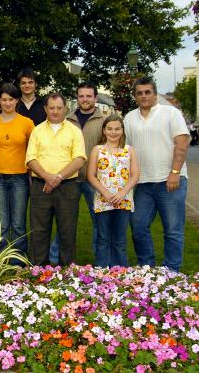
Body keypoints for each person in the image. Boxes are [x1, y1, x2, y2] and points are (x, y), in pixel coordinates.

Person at [124, 76, 190, 272]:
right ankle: (147, 267)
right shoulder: (129, 118)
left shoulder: (171, 113)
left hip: (170, 181)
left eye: (147, 92)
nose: (144, 96)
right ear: (135, 96)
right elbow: (127, 150)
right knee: (138, 227)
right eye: (139, 93)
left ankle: (172, 271)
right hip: (143, 183)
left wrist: (175, 172)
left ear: (154, 94)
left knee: (173, 230)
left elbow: (182, 143)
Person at [26, 93, 86, 266]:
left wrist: (57, 178)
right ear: (45, 109)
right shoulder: (37, 131)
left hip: (67, 187)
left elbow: (79, 159)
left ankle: (67, 272)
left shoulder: (74, 131)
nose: (55, 111)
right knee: (39, 231)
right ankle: (38, 271)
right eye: (51, 108)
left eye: (59, 108)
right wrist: (47, 177)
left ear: (65, 108)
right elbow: (30, 159)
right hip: (40, 186)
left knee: (67, 231)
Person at [49, 81, 105, 264]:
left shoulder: (104, 121)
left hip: (94, 180)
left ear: (95, 98)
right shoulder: (67, 119)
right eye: (81, 96)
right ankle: (54, 259)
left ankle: (100, 262)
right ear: (77, 98)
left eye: (89, 96)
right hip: (69, 178)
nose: (85, 99)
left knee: (99, 222)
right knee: (65, 222)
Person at [0, 83, 34, 257]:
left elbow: (32, 150)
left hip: (20, 177)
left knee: (19, 223)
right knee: (1, 223)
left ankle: (19, 261)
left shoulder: (27, 123)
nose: (7, 103)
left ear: (17, 101)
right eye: (4, 100)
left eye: (11, 100)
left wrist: (30, 174)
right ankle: (2, 260)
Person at [87, 114, 139, 267]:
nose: (113, 132)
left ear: (122, 130)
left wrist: (122, 193)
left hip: (123, 200)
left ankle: (119, 272)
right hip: (103, 200)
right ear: (104, 130)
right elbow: (91, 175)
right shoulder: (97, 150)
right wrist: (106, 192)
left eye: (117, 128)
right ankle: (101, 271)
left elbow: (135, 175)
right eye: (109, 128)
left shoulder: (129, 150)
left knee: (120, 239)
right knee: (103, 238)